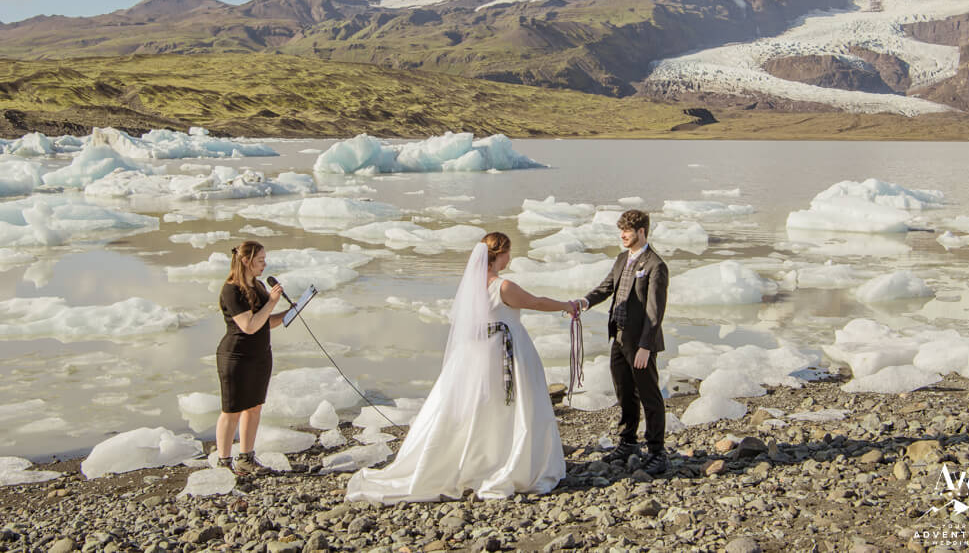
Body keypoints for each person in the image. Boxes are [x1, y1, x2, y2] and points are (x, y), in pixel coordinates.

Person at [345, 232, 578, 503]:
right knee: (513, 405)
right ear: (500, 255)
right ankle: (506, 459)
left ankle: (473, 460)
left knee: (478, 405)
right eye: (508, 253)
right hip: (506, 354)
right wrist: (568, 305)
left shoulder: (471, 286)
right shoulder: (503, 287)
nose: (509, 258)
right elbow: (536, 302)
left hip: (476, 353)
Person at [576, 210, 670, 474]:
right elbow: (606, 288)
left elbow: (655, 311)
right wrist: (584, 302)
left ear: (641, 231)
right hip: (618, 338)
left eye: (627, 231)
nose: (622, 235)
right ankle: (628, 442)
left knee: (650, 396)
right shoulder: (621, 259)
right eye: (621, 230)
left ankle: (657, 452)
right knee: (624, 392)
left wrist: (646, 347)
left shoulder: (656, 265)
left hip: (640, 343)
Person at [216, 240, 288, 475]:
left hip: (260, 356)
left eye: (264, 260)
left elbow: (265, 323)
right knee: (232, 410)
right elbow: (248, 326)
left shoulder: (258, 286)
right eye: (260, 260)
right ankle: (224, 462)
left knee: (254, 407)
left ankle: (246, 458)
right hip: (236, 357)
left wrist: (289, 312)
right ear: (246, 261)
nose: (264, 264)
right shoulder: (231, 290)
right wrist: (272, 302)